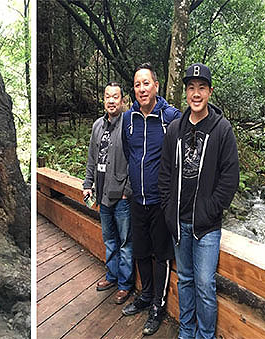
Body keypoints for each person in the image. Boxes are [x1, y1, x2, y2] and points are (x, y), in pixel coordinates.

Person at [159, 63, 239, 339]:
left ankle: (205, 335)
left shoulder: (221, 129)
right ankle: (186, 330)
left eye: (201, 88)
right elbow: (165, 173)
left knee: (205, 284)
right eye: (191, 88)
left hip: (206, 226)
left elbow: (229, 178)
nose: (196, 94)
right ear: (186, 92)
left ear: (209, 92)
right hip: (179, 222)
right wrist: (168, 210)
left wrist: (209, 210)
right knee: (185, 280)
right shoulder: (174, 130)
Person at [121, 62, 181, 335]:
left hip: (160, 201)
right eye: (137, 84)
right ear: (133, 90)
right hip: (137, 199)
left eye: (146, 83)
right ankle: (145, 295)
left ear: (156, 85)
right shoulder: (128, 119)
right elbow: (128, 152)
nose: (142, 88)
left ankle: (158, 304)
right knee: (141, 251)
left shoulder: (171, 118)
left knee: (162, 255)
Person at [83, 82, 134, 304]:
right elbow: (92, 158)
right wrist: (88, 184)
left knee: (125, 243)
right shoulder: (98, 126)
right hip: (102, 194)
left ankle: (125, 285)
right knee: (109, 239)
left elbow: (135, 159)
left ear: (122, 100)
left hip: (121, 195)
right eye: (107, 97)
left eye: (115, 97)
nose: (111, 101)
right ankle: (111, 276)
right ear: (103, 100)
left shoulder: (129, 124)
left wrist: (127, 190)